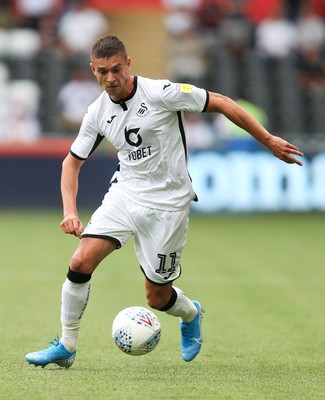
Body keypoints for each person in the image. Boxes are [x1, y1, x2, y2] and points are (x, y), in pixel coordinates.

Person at [25, 35, 304, 368]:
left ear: (128, 64)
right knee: (80, 262)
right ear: (93, 71)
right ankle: (67, 347)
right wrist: (70, 211)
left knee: (157, 297)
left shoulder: (161, 93)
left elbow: (222, 102)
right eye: (102, 72)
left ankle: (191, 313)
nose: (110, 78)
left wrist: (268, 140)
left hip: (169, 204)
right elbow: (71, 162)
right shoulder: (97, 112)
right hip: (125, 194)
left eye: (116, 69)